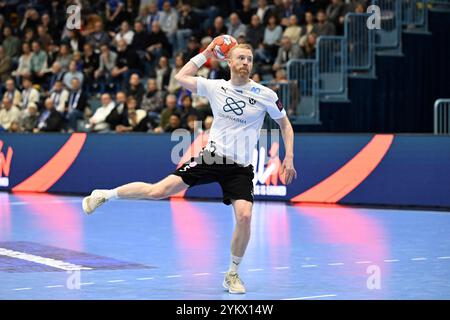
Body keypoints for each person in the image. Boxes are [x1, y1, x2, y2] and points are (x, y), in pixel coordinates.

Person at [82, 40, 297, 295]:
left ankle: (232, 274)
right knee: (158, 191)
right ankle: (104, 195)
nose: (245, 63)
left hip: (240, 168)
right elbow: (180, 76)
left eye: (249, 59)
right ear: (229, 62)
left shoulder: (265, 94)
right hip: (212, 158)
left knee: (245, 216)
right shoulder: (215, 87)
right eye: (240, 58)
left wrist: (289, 157)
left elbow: (285, 124)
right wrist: (205, 54)